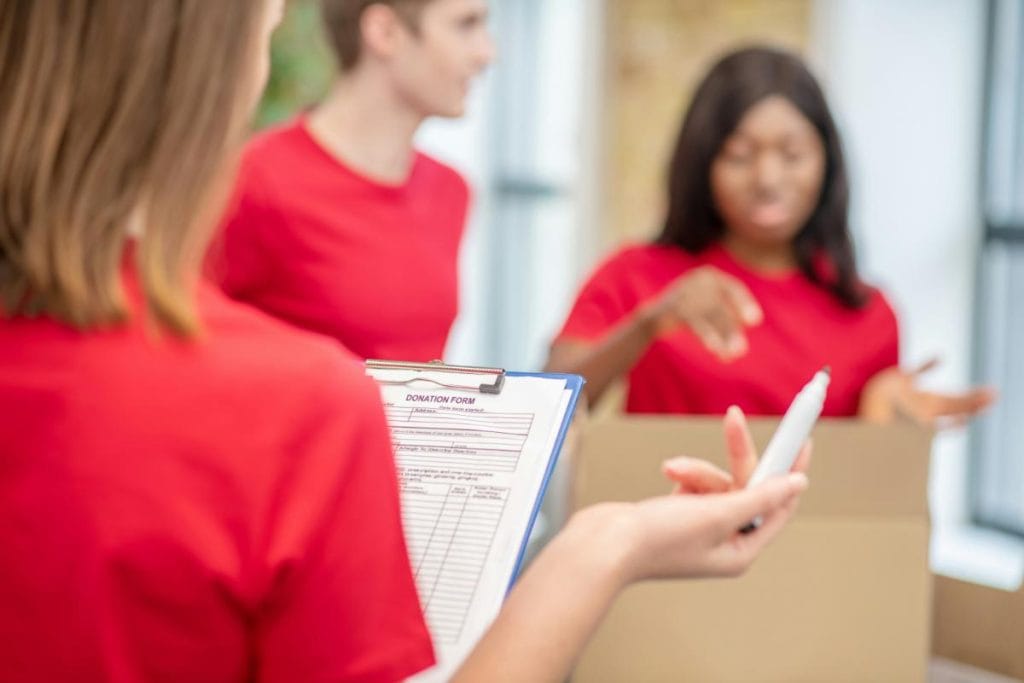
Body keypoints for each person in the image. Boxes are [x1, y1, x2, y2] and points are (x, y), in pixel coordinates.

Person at [0, 3, 809, 681]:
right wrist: (609, 542)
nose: (487, 51)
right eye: (265, 23)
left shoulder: (447, 199)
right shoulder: (294, 396)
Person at [546, 46, 995, 424]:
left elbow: (859, 478)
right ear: (702, 163)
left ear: (827, 161)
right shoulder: (639, 274)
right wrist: (648, 324)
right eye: (740, 155)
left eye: (793, 154)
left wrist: (889, 414)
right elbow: (548, 403)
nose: (767, 178)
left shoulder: (871, 315)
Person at [208, 0, 494, 362]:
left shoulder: (451, 190)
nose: (487, 54)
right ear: (384, 32)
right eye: (466, 25)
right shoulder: (253, 181)